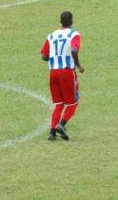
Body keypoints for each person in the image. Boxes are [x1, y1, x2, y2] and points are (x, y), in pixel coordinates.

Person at [40, 11, 85, 141]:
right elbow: (74, 50)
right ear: (71, 22)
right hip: (66, 72)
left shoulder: (51, 35)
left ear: (60, 21)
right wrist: (79, 65)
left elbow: (43, 55)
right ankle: (62, 124)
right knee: (73, 103)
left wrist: (54, 58)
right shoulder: (74, 34)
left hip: (53, 73)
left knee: (59, 104)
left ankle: (52, 132)